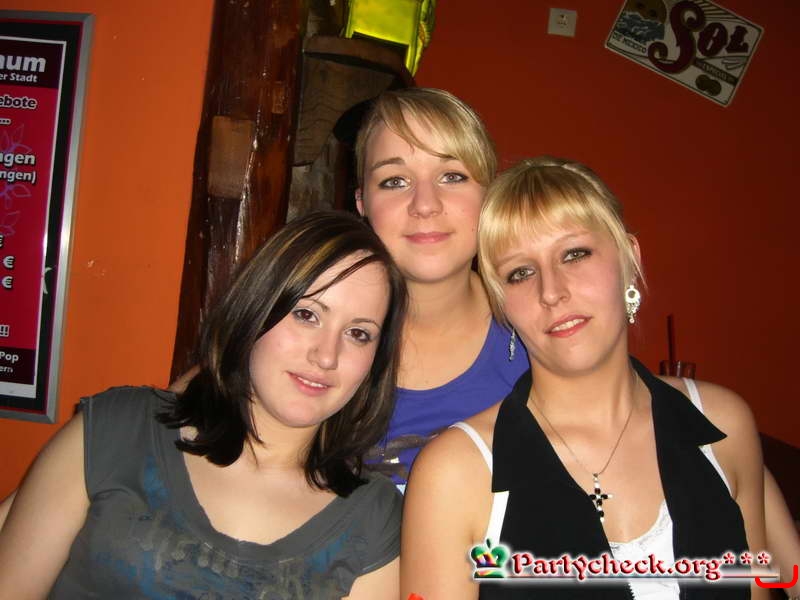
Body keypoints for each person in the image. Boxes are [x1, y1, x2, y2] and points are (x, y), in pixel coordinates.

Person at [401, 157, 769, 599]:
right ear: (502, 304)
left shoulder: (724, 425)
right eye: (520, 273)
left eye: (574, 254)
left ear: (630, 259)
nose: (551, 291)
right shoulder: (455, 474)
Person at [0, 211, 407, 599]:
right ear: (255, 309)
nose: (327, 356)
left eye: (358, 333)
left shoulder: (374, 517)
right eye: (306, 314)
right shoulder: (117, 428)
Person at [353, 87, 528, 490]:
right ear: (362, 204)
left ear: (490, 196)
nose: (425, 204)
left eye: (452, 176)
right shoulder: (315, 340)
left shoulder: (541, 330)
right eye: (395, 181)